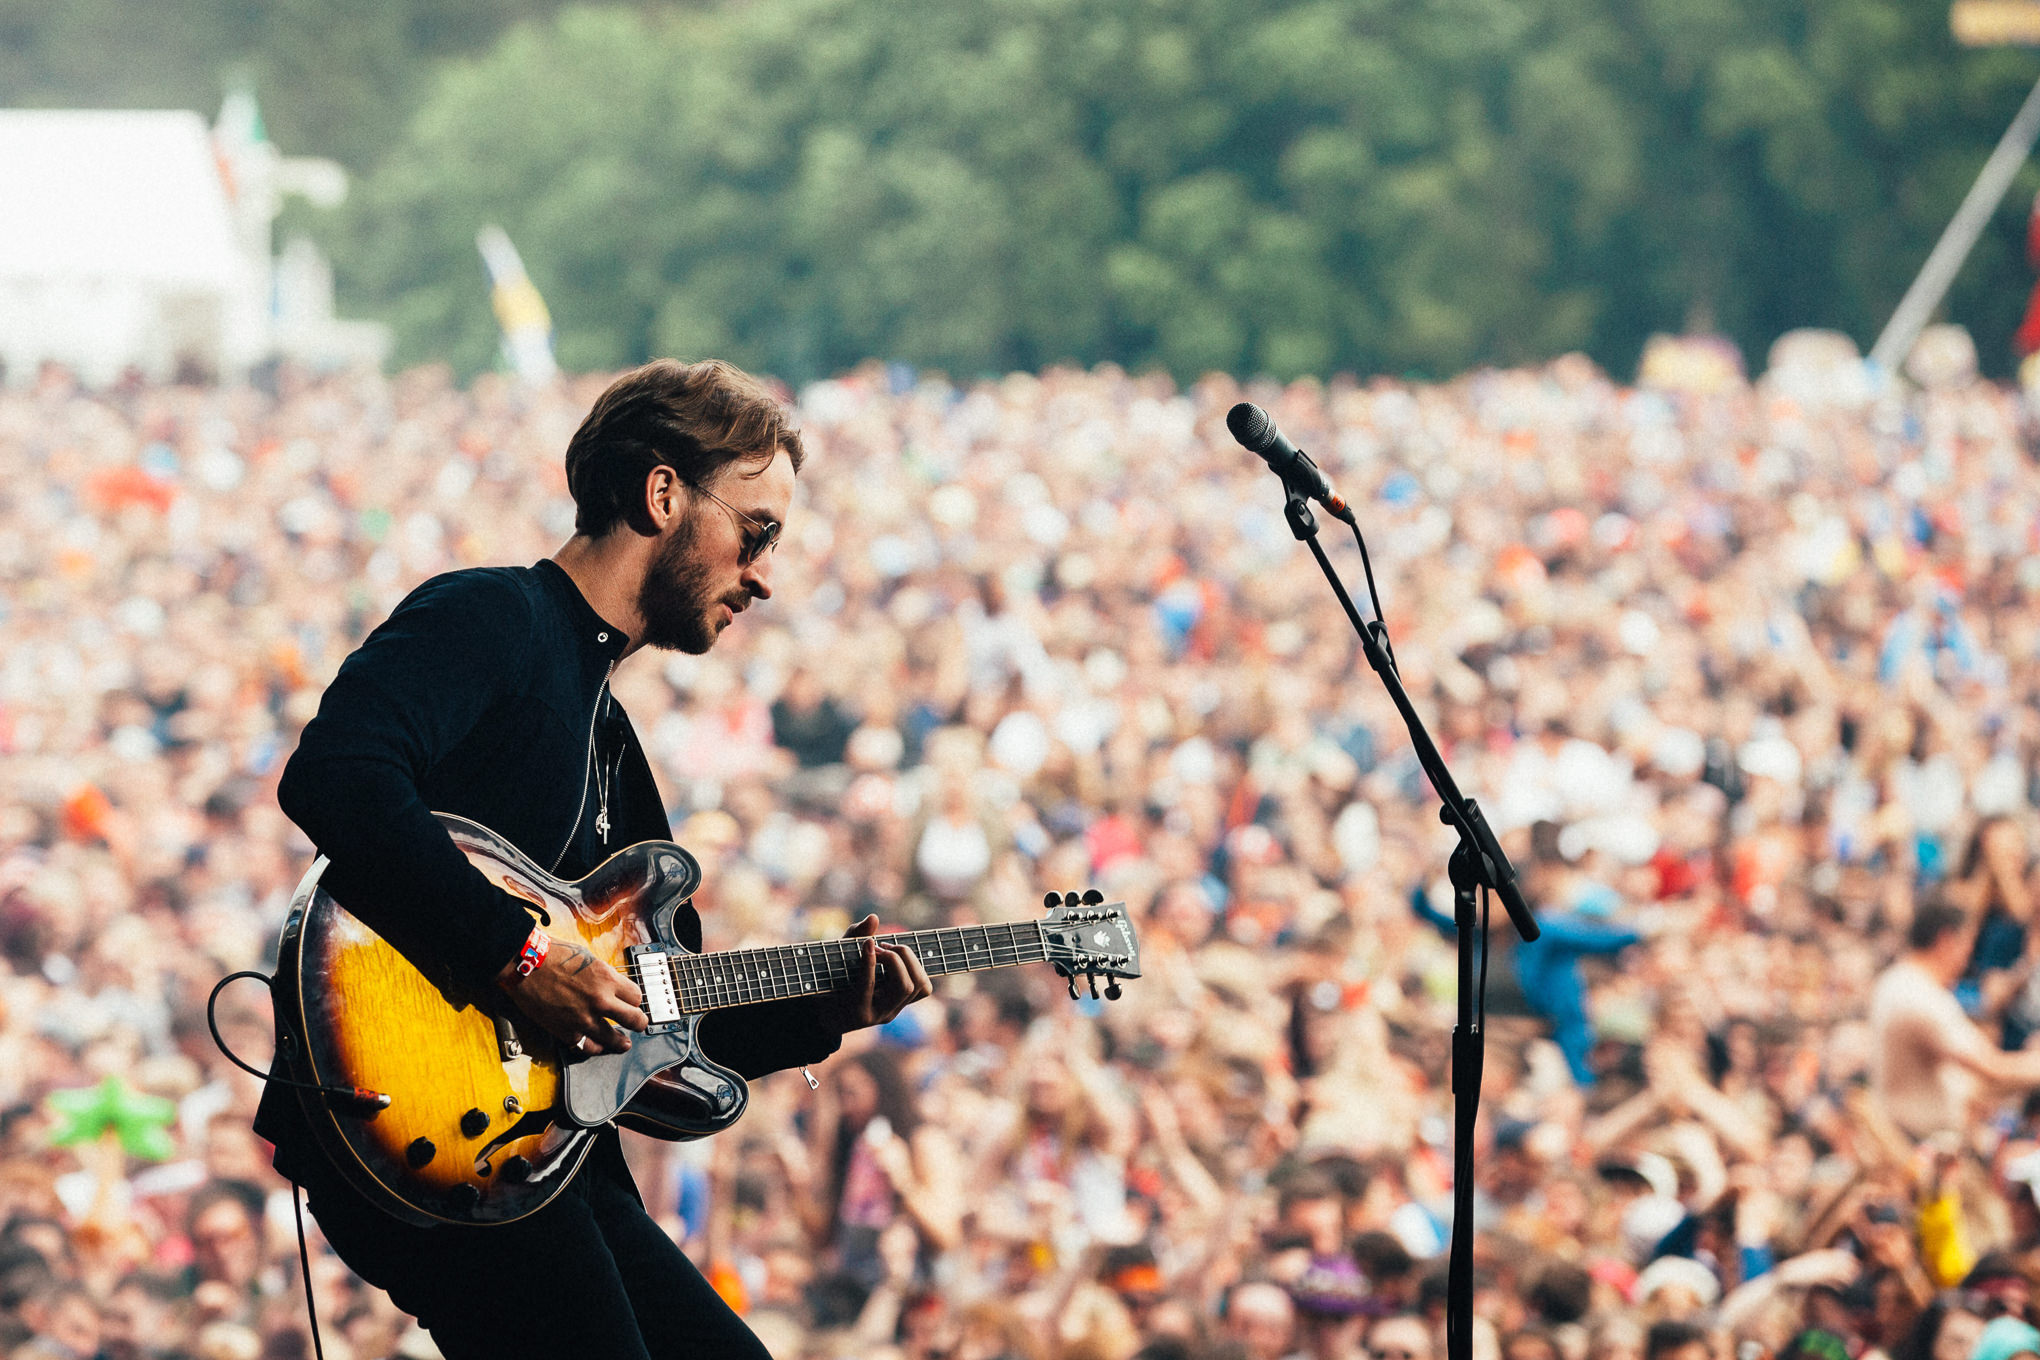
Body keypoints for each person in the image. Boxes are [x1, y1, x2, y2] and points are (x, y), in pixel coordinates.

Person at [254, 359, 935, 1359]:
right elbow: (337, 777)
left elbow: (656, 1015)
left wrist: (824, 1012)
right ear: (663, 494)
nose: (765, 575)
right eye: (757, 533)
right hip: (424, 1129)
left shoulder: (607, 732)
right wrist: (519, 957)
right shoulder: (491, 617)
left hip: (548, 1157)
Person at [1869, 899, 2040, 1140]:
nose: (1968, 956)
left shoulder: (1901, 983)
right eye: (1968, 944)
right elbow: (1992, 1066)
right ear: (1946, 940)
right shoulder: (1915, 994)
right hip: (1916, 1142)